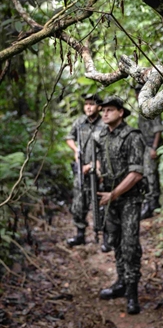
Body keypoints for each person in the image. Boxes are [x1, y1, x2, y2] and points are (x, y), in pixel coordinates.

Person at [96, 96, 145, 315]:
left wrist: (113, 194)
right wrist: (96, 171)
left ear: (121, 112)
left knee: (130, 244)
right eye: (103, 110)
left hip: (128, 198)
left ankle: (132, 293)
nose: (105, 113)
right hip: (109, 198)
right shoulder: (103, 135)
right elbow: (102, 161)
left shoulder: (132, 136)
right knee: (115, 240)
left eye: (109, 110)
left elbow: (136, 174)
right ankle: (121, 282)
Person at [65, 92, 110, 252]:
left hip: (99, 170)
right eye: (86, 104)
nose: (88, 107)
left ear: (98, 106)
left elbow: (108, 148)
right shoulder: (79, 122)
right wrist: (76, 149)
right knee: (78, 203)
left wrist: (93, 165)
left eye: (91, 104)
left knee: (101, 204)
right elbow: (69, 138)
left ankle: (106, 237)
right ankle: (80, 235)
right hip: (81, 170)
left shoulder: (105, 124)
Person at [135, 84, 163, 220]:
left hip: (151, 146)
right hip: (145, 146)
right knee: (148, 173)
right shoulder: (141, 109)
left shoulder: (152, 107)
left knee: (151, 174)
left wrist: (154, 147)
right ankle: (152, 203)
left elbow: (158, 130)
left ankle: (152, 203)